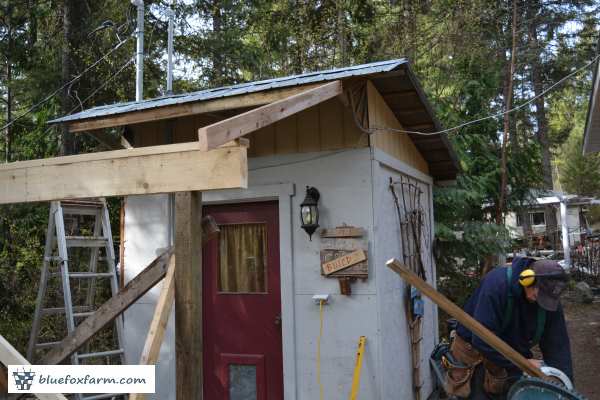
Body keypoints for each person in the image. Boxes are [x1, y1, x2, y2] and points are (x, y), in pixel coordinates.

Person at [444, 257, 573, 399]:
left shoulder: (549, 299)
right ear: (527, 280)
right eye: (538, 296)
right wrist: (523, 364)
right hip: (475, 350)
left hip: (511, 353)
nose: (541, 302)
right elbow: (482, 339)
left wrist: (565, 389)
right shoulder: (496, 285)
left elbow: (558, 348)